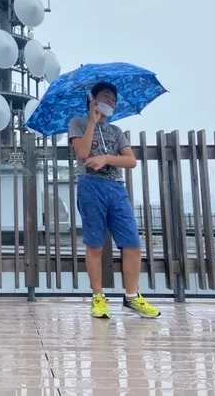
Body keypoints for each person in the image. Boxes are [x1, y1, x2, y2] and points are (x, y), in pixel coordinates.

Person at [68, 81, 161, 319]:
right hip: (91, 186)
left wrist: (107, 158)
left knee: (132, 243)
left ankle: (131, 297)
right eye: (105, 96)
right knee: (95, 245)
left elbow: (130, 161)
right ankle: (98, 297)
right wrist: (92, 120)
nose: (110, 102)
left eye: (113, 99)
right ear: (92, 99)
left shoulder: (116, 131)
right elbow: (82, 153)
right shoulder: (77, 123)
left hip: (116, 188)